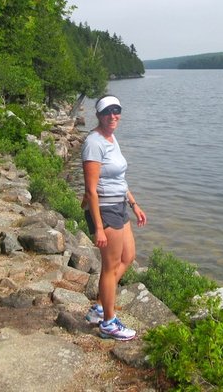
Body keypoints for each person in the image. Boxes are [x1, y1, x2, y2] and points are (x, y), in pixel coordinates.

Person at [81, 95, 147, 340]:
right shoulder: (94, 143)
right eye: (107, 112)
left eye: (116, 111)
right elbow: (90, 189)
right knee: (109, 268)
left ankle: (100, 307)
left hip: (119, 205)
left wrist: (134, 204)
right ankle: (108, 323)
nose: (113, 116)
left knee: (128, 257)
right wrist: (98, 226)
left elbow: (119, 179)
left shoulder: (111, 138)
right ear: (98, 115)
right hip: (105, 210)